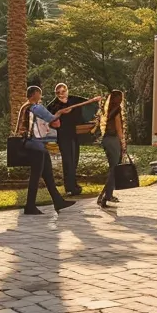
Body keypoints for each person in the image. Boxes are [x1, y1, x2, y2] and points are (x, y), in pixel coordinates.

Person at [22, 85, 77, 215]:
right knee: (35, 177)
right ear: (35, 94)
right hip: (36, 145)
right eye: (39, 94)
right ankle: (29, 206)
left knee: (48, 176)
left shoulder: (25, 106)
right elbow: (52, 118)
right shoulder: (36, 107)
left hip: (33, 144)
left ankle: (58, 201)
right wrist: (61, 112)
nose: (40, 97)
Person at [47, 83, 96, 195]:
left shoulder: (74, 99)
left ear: (67, 90)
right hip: (63, 135)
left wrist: (95, 100)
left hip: (74, 134)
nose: (61, 94)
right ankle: (69, 188)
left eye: (63, 91)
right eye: (58, 92)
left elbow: (88, 103)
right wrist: (58, 114)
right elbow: (49, 119)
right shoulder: (53, 105)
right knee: (68, 161)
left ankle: (74, 185)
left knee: (74, 160)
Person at [96, 90, 128, 209]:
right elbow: (119, 129)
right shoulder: (117, 111)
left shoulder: (107, 110)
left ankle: (108, 195)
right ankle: (104, 197)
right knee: (114, 169)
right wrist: (123, 143)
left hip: (106, 140)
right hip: (113, 140)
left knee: (113, 169)